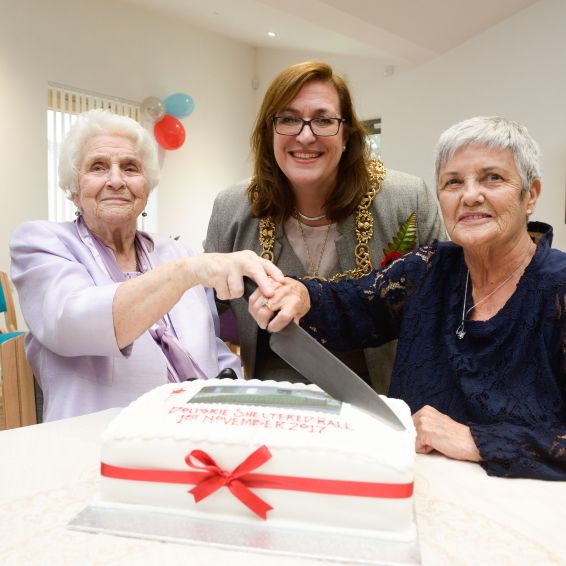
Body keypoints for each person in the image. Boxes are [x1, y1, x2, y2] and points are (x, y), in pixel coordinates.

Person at [249, 116, 566, 480]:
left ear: (532, 194)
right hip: (413, 495)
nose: (470, 194)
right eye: (453, 182)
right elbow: (353, 305)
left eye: (492, 178)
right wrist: (301, 294)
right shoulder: (428, 270)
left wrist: (476, 440)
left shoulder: (558, 289)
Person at [10, 109, 283, 422]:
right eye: (98, 167)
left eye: (130, 168)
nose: (116, 180)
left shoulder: (175, 251)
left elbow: (213, 349)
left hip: (196, 435)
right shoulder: (42, 243)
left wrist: (236, 396)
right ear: (74, 188)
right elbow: (72, 322)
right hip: (100, 439)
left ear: (147, 185)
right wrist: (187, 272)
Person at [204, 61, 446, 391]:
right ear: (269, 131)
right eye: (288, 119)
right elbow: (203, 320)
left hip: (382, 413)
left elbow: (444, 309)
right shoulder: (232, 208)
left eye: (323, 120)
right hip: (271, 412)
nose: (306, 136)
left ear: (346, 133)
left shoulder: (406, 201)